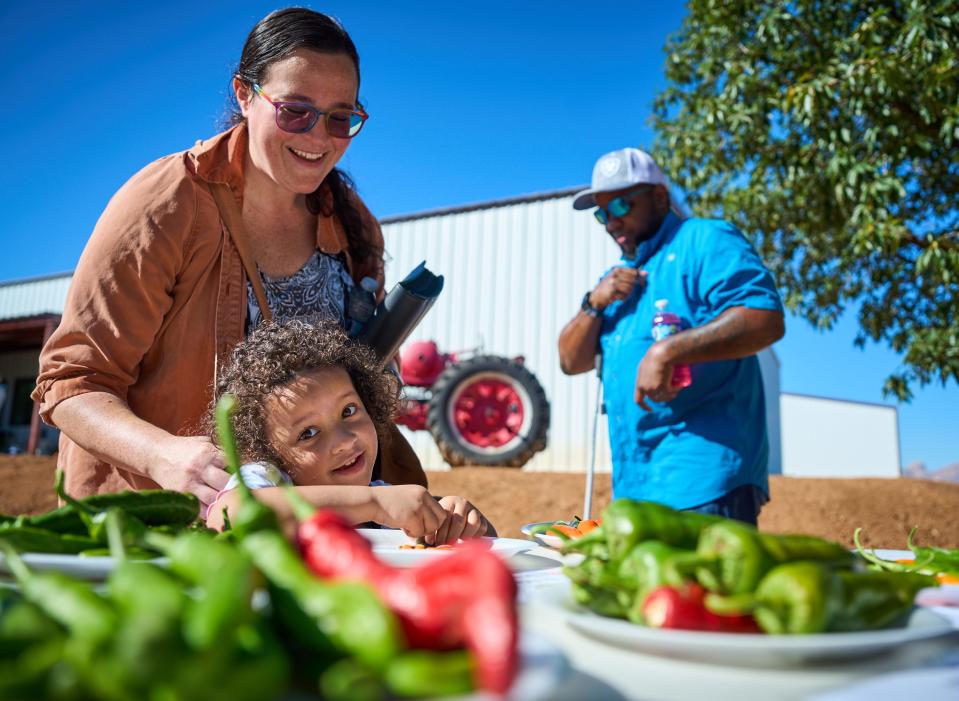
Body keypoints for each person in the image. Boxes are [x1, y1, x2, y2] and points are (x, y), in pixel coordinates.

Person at [32, 8, 426, 508]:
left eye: (341, 118)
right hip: (161, 532)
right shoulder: (166, 203)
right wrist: (163, 455)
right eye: (295, 111)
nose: (319, 137)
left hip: (314, 532)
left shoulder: (354, 225)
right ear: (244, 94)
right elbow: (70, 382)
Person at [558, 148, 785, 524]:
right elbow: (569, 361)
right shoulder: (617, 280)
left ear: (659, 197)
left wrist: (668, 351)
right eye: (601, 213)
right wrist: (593, 303)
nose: (610, 223)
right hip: (636, 491)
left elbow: (764, 319)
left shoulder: (705, 240)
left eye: (620, 206)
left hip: (704, 480)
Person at [206, 319, 493, 543]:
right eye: (308, 433)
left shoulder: (384, 503)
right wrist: (374, 504)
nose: (344, 441)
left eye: (349, 411)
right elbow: (229, 514)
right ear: (267, 453)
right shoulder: (270, 480)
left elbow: (490, 543)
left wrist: (461, 521)